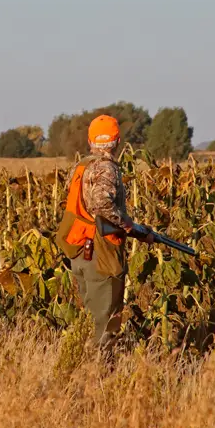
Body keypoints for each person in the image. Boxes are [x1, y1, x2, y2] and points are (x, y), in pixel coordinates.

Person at [55, 115, 153, 347]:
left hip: (79, 249)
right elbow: (101, 204)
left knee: (90, 317)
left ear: (90, 141)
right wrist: (128, 225)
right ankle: (97, 372)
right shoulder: (107, 168)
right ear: (117, 141)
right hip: (100, 254)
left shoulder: (81, 166)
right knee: (105, 321)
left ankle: (82, 363)